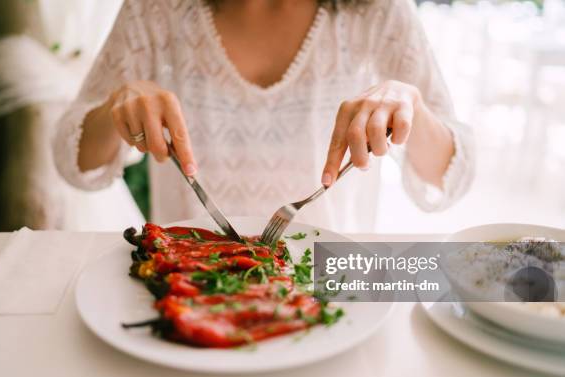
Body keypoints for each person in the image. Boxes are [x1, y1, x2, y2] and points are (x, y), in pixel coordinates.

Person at [54, 0, 474, 232]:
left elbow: (449, 179)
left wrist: (411, 107)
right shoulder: (156, 11)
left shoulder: (377, 12)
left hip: (332, 290)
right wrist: (118, 109)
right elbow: (75, 165)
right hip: (186, 288)